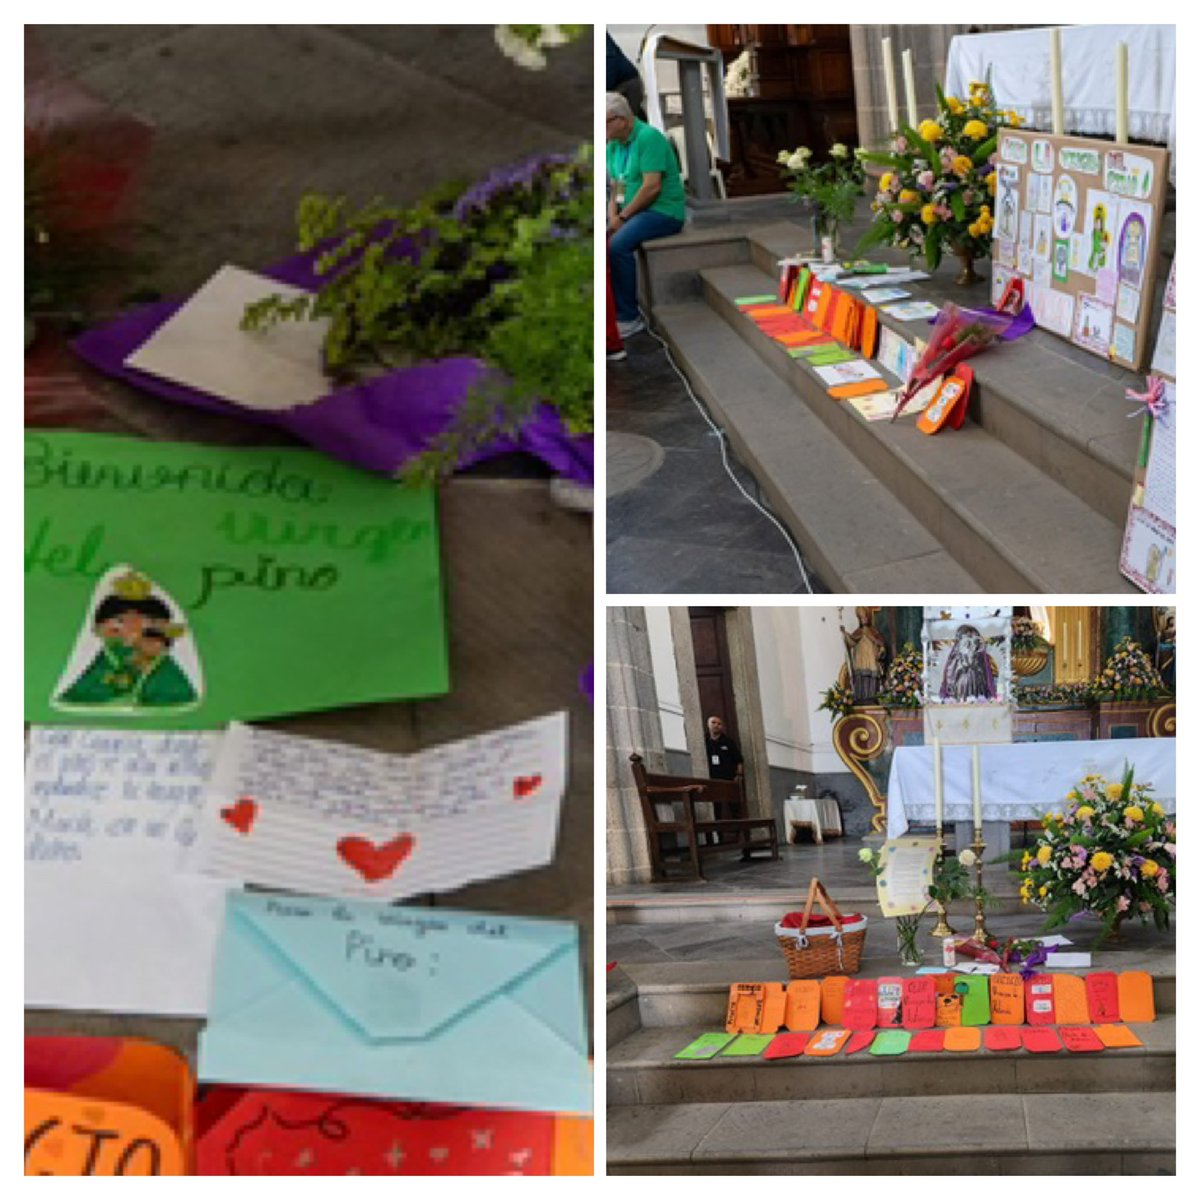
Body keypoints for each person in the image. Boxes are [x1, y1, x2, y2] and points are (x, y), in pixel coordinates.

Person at [605, 92, 686, 339]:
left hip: (662, 210)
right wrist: (612, 217)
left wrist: (624, 218)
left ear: (623, 119)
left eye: (603, 121)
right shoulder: (614, 145)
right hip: (632, 211)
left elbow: (652, 188)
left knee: (617, 246)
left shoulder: (649, 137)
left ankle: (629, 317)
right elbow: (616, 187)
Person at [704, 714, 743, 783]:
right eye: (713, 722)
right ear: (708, 724)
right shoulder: (703, 741)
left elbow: (738, 759)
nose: (716, 725)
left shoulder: (728, 742)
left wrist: (739, 775)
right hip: (709, 777)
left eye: (719, 724)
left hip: (727, 778)